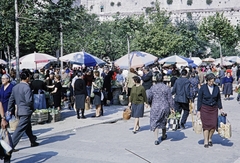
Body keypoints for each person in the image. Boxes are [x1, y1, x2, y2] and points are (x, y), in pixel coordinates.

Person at [7, 70, 39, 151]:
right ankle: (11, 146)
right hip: (26, 110)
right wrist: (32, 107)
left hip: (19, 110)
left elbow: (11, 100)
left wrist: (10, 110)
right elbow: (29, 101)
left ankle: (32, 140)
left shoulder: (15, 87)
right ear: (27, 78)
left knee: (28, 126)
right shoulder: (27, 87)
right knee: (20, 129)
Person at [197, 73, 224, 148]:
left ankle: (210, 138)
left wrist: (221, 108)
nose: (212, 83)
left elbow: (218, 99)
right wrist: (198, 111)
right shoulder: (203, 88)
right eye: (210, 81)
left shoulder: (216, 88)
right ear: (207, 81)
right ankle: (206, 141)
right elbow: (199, 100)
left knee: (213, 125)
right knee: (206, 125)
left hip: (214, 108)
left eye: (213, 81)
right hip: (205, 108)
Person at [148, 74, 174, 145]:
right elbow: (170, 99)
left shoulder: (153, 87)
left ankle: (156, 139)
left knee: (155, 122)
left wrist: (149, 103)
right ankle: (163, 135)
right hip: (165, 106)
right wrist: (172, 108)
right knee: (164, 120)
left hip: (155, 106)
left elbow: (149, 97)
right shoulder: (166, 88)